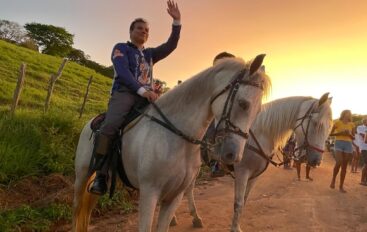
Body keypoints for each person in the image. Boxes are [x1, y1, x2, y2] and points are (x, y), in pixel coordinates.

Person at [89, 0, 181, 195]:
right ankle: (100, 175)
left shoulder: (149, 54)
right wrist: (143, 91)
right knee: (110, 126)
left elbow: (171, 45)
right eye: (140, 28)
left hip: (147, 97)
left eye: (147, 30)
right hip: (125, 94)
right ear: (131, 31)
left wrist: (177, 22)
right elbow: (123, 73)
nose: (144, 32)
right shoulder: (121, 48)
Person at [203, 51, 235, 177]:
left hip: (231, 115)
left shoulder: (234, 83)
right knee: (211, 132)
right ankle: (215, 165)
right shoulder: (209, 81)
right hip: (213, 115)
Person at [329, 110, 355, 193]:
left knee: (344, 166)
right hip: (339, 143)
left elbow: (353, 138)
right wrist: (340, 133)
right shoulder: (337, 123)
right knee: (339, 161)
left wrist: (349, 134)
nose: (348, 115)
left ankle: (341, 186)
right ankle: (333, 180)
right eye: (347, 113)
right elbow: (330, 134)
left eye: (349, 114)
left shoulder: (352, 124)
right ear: (343, 114)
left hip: (348, 144)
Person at [357, 118, 367, 185]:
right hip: (364, 147)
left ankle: (365, 180)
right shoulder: (360, 127)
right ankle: (362, 180)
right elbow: (364, 136)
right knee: (366, 164)